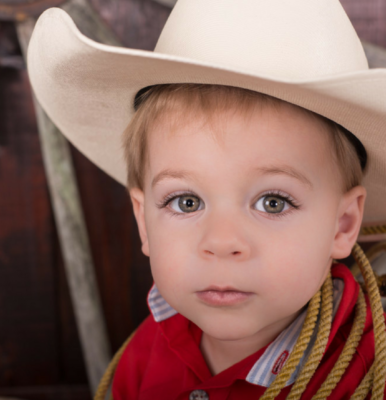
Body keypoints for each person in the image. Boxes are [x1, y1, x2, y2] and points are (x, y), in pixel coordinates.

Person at [26, 0, 386, 398]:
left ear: (344, 224)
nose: (221, 242)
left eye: (273, 202)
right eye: (186, 202)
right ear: (144, 220)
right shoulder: (148, 349)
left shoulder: (370, 375)